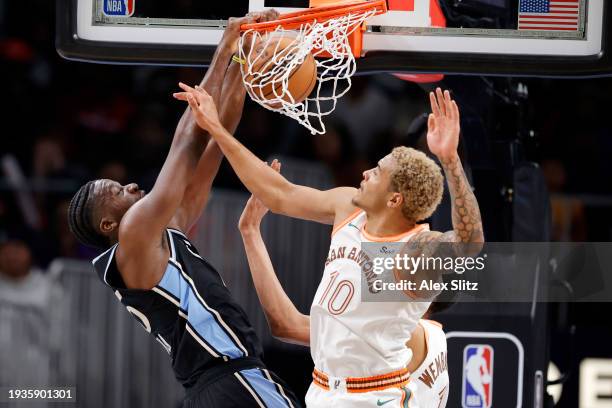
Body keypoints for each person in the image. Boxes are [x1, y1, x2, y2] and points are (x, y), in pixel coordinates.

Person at [175, 85, 483, 406]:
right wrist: (215, 128)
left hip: (373, 395)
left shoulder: (414, 251)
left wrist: (450, 161)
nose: (365, 172)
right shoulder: (348, 207)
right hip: (323, 388)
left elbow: (469, 243)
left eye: (377, 173)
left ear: (394, 199)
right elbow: (279, 194)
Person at [67, 12, 301, 408]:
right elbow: (185, 143)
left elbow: (215, 137)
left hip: (222, 385)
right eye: (118, 190)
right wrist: (226, 45)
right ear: (108, 223)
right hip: (230, 383)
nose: (132, 186)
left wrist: (243, 62)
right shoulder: (133, 237)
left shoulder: (162, 234)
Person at [236, 167, 449, 407]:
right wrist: (250, 231)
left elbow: (287, 325)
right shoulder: (434, 336)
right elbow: (286, 325)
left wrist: (251, 232)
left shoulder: (390, 335)